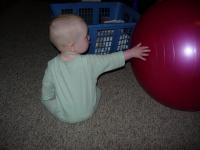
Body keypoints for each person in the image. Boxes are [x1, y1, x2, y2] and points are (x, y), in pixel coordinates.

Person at [41, 14, 150, 123]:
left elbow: (47, 87)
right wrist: (131, 53)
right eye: (85, 36)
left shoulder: (52, 66)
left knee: (46, 100)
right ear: (72, 46)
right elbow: (111, 59)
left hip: (65, 115)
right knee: (97, 91)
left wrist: (47, 98)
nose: (89, 37)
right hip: (89, 110)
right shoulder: (90, 62)